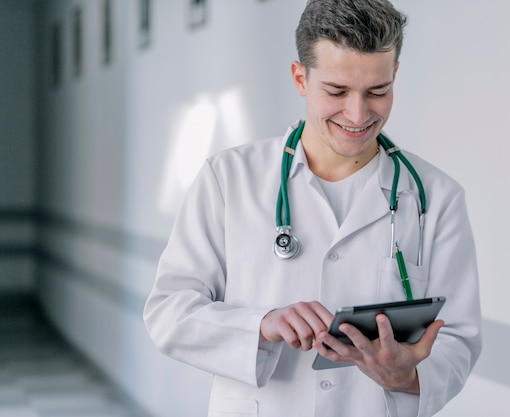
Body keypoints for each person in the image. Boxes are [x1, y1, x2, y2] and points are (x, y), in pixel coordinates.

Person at [143, 0, 482, 416]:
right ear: (300, 78)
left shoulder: (436, 197)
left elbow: (458, 337)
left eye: (377, 91)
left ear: (394, 75)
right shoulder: (228, 179)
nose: (357, 114)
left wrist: (407, 377)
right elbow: (168, 312)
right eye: (336, 91)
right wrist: (260, 325)